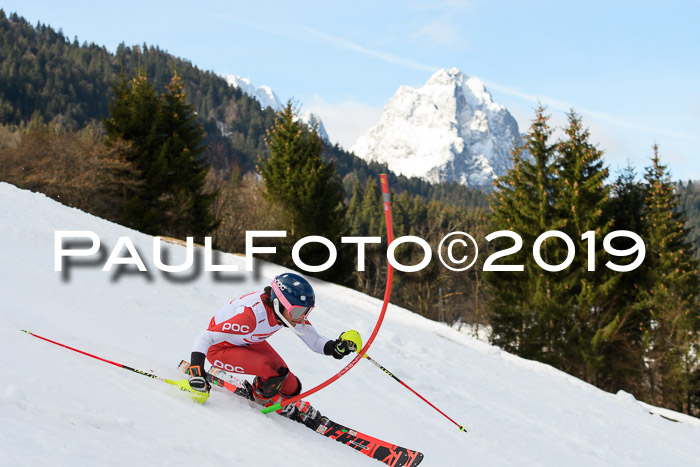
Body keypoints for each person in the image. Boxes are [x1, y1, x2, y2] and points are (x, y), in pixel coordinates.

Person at [186, 272, 362, 429]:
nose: (302, 317)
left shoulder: (288, 313)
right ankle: (260, 398)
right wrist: (197, 373)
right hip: (220, 350)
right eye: (298, 311)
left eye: (307, 311)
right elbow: (205, 337)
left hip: (247, 342)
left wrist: (338, 348)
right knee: (273, 369)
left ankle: (268, 390)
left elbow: (316, 342)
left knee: (292, 387)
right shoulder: (250, 317)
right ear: (278, 303)